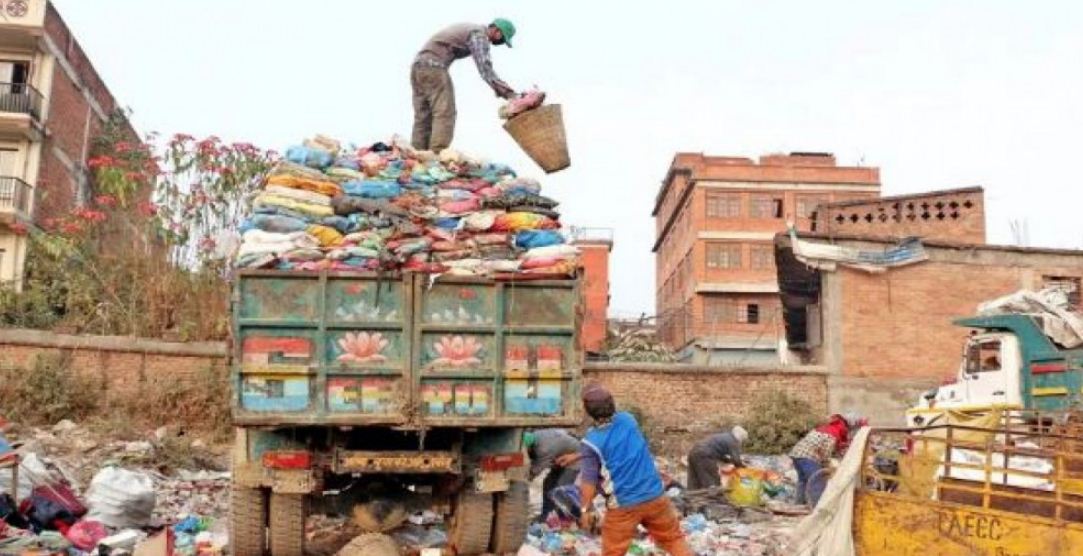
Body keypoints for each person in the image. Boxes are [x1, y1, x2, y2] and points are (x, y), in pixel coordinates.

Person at [577, 383, 693, 556]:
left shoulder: (591, 442)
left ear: (587, 411)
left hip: (624, 505)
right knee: (674, 540)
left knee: (613, 551)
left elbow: (588, 481)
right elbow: (618, 445)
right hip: (656, 496)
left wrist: (585, 510)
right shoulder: (629, 420)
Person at [411, 19, 518, 153]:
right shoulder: (479, 35)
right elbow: (484, 67)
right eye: (502, 38)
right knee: (444, 113)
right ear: (497, 31)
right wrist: (509, 94)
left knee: (423, 115)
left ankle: (416, 154)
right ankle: (437, 155)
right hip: (434, 67)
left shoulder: (470, 28)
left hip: (418, 68)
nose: (500, 42)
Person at [789, 412, 867, 507]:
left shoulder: (829, 427)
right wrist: (828, 465)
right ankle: (817, 507)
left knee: (803, 480)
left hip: (797, 453)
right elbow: (826, 453)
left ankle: (799, 504)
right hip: (808, 455)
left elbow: (831, 448)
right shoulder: (833, 434)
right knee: (817, 480)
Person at [525, 428, 582, 520]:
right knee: (548, 485)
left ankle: (564, 519)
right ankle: (546, 515)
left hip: (575, 458)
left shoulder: (543, 449)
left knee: (561, 489)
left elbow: (535, 470)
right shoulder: (536, 435)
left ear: (530, 446)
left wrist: (523, 483)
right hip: (560, 457)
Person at [686, 425, 748, 490]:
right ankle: (713, 498)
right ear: (740, 438)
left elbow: (719, 454)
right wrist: (744, 468)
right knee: (712, 481)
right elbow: (737, 460)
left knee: (694, 481)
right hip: (705, 455)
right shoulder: (733, 441)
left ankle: (690, 497)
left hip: (694, 451)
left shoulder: (724, 437)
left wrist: (729, 461)